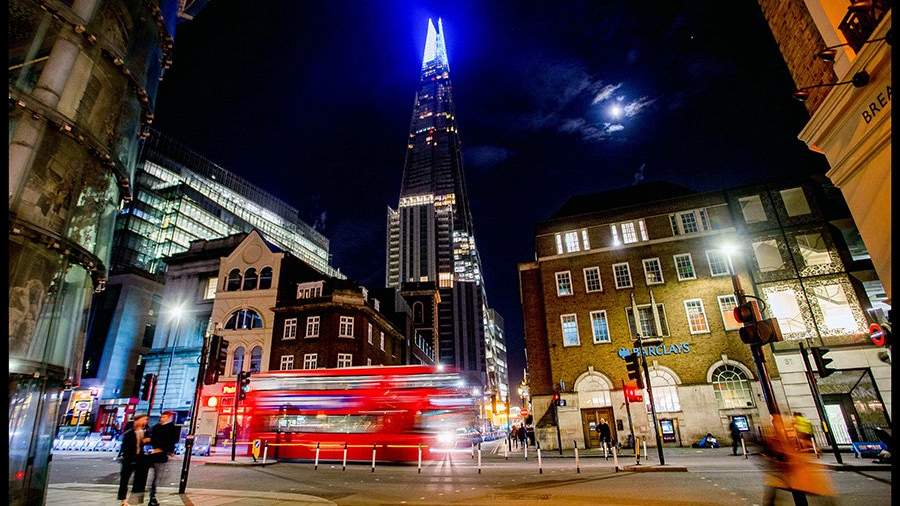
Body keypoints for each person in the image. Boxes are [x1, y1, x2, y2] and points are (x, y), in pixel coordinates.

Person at [760, 415, 834, 506]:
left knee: (794, 490)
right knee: (788, 490)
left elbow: (795, 443)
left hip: (789, 468)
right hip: (786, 469)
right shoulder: (778, 433)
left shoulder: (782, 432)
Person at [146, 411, 180, 506]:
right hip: (155, 454)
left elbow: (172, 441)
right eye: (161, 417)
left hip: (161, 455)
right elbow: (153, 438)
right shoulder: (156, 427)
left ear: (169, 418)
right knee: (156, 477)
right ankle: (152, 496)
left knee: (158, 476)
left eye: (164, 417)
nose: (161, 418)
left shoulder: (172, 428)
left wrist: (169, 451)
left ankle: (152, 496)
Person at [117, 414, 150, 506]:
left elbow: (149, 439)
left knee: (139, 480)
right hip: (129, 458)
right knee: (124, 480)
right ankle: (123, 500)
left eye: (146, 420)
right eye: (144, 419)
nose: (145, 422)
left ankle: (135, 501)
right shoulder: (130, 428)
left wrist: (146, 441)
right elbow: (125, 443)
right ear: (138, 420)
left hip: (140, 458)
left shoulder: (146, 430)